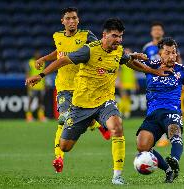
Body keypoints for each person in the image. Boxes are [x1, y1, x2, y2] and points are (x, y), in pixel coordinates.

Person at [26, 18, 172, 185]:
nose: (118, 40)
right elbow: (63, 60)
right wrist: (41, 75)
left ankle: (117, 176)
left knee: (117, 128)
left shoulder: (118, 51)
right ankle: (91, 124)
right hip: (81, 105)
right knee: (65, 146)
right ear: (104, 35)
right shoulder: (89, 51)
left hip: (105, 102)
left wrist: (154, 71)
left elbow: (130, 63)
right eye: (115, 36)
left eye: (121, 36)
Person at [34, 7, 110, 173]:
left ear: (78, 20)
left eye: (74, 18)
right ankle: (58, 158)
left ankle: (96, 124)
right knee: (64, 119)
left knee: (81, 118)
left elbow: (99, 51)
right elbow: (59, 53)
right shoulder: (57, 36)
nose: (71, 21)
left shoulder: (86, 35)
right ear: (63, 21)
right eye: (68, 18)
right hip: (63, 87)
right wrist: (44, 58)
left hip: (83, 86)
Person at [136, 37, 184, 183]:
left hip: (172, 111)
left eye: (174, 52)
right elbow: (128, 62)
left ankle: (175, 160)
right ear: (160, 53)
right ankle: (168, 170)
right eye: (167, 53)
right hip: (153, 115)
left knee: (174, 132)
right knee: (142, 147)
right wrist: (134, 56)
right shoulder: (151, 65)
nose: (171, 56)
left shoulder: (182, 70)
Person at [143, 21, 183, 147]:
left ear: (162, 32)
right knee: (154, 106)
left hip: (169, 81)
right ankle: (155, 133)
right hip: (154, 84)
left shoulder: (170, 47)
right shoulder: (147, 48)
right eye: (155, 29)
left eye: (159, 29)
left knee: (170, 106)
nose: (157, 32)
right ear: (151, 32)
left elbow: (179, 63)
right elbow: (144, 65)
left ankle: (168, 134)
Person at [26, 50, 47, 122]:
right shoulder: (30, 62)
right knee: (30, 101)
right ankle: (28, 117)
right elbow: (28, 74)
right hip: (32, 86)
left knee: (41, 102)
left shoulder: (42, 63)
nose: (38, 54)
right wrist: (28, 84)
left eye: (39, 53)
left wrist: (45, 85)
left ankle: (41, 117)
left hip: (41, 86)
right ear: (34, 54)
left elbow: (44, 74)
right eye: (37, 53)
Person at [118, 48, 138, 118]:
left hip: (131, 83)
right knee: (123, 97)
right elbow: (119, 73)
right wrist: (120, 82)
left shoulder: (133, 63)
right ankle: (120, 111)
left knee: (129, 98)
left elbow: (133, 74)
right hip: (123, 83)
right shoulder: (122, 62)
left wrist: (135, 83)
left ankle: (127, 112)